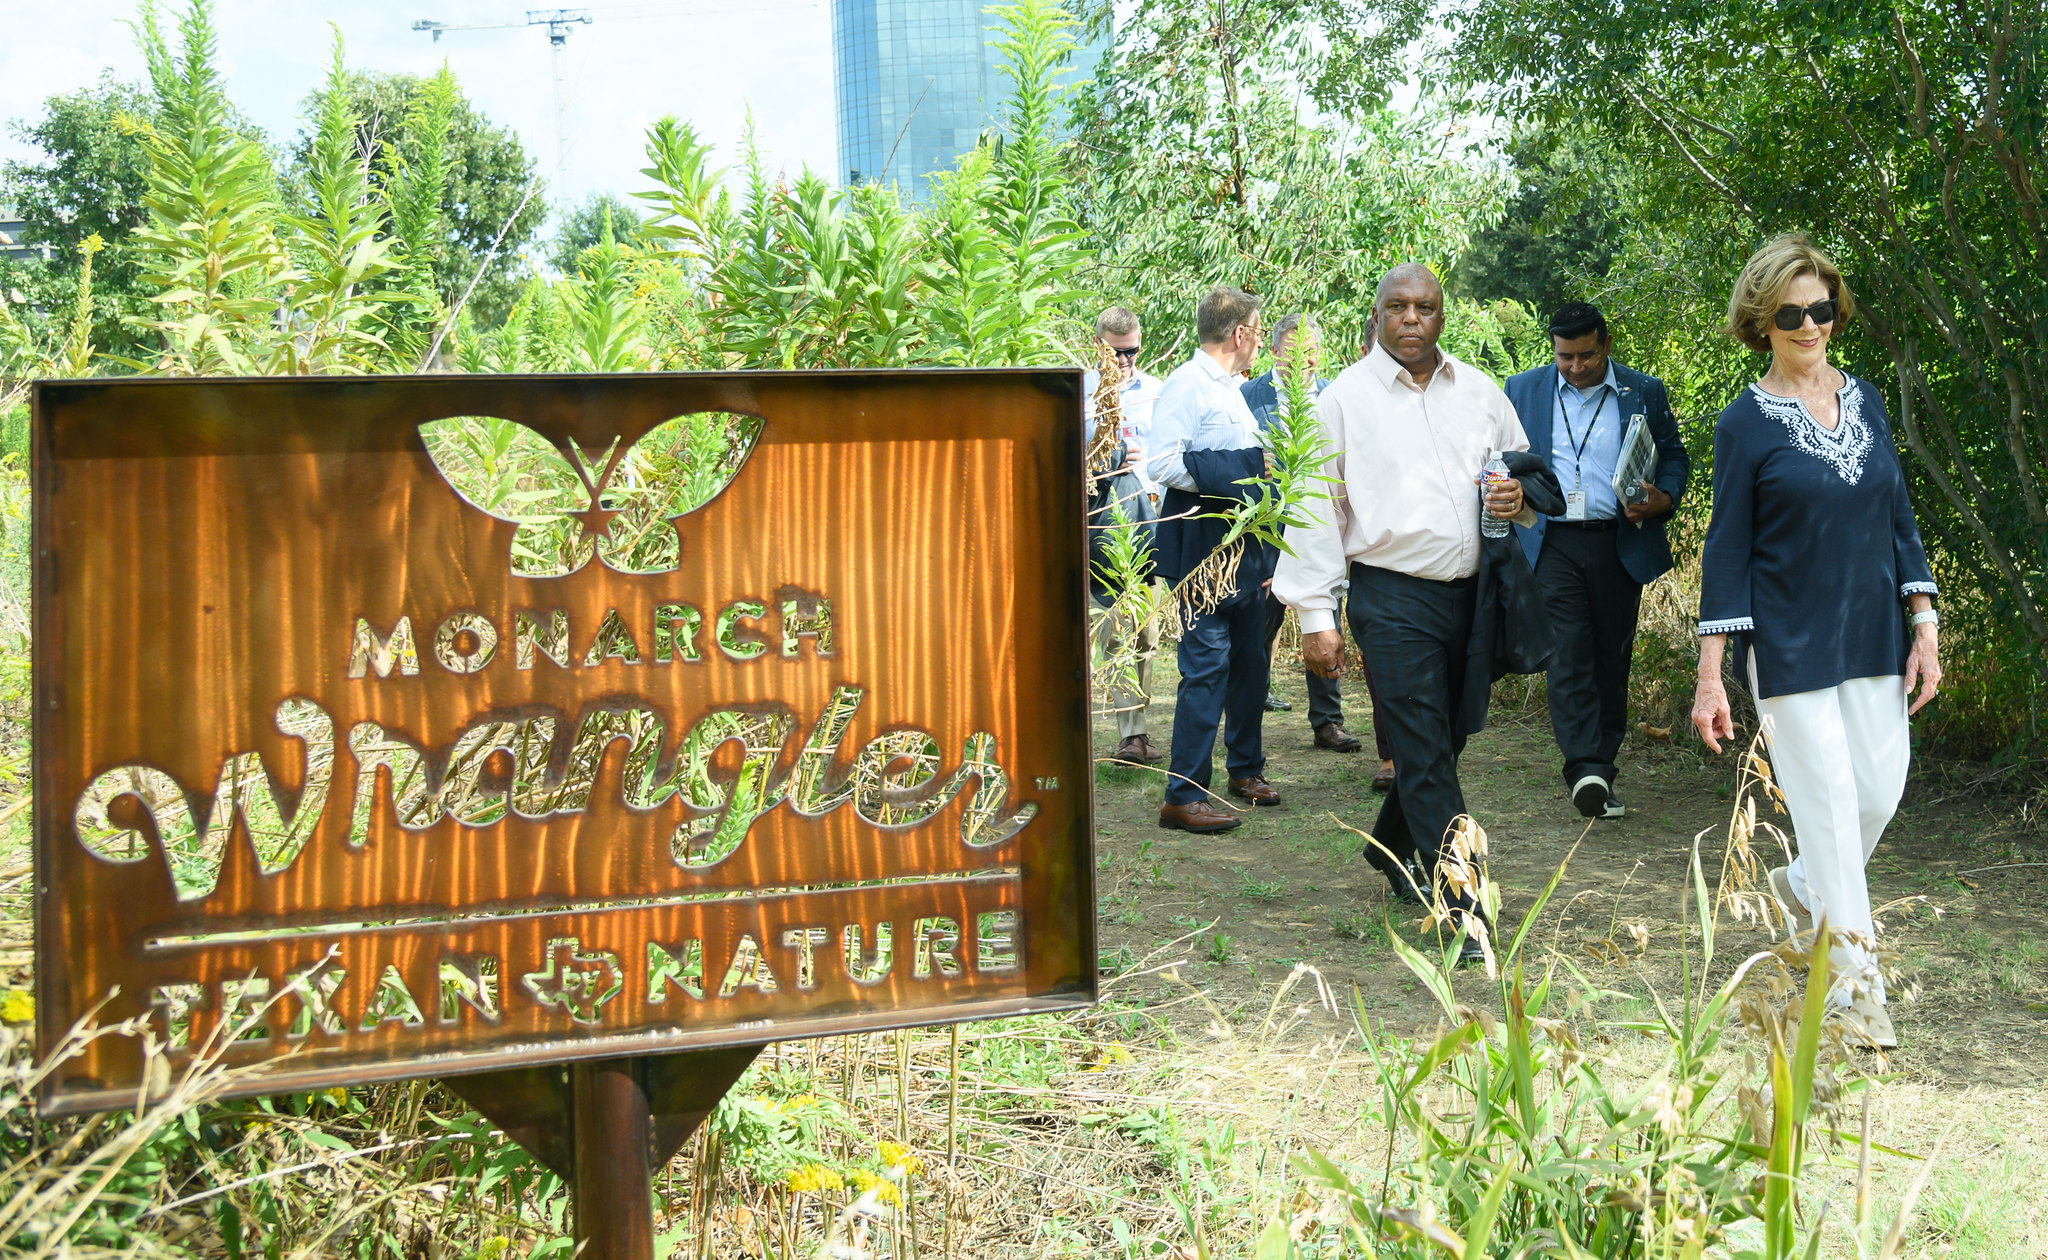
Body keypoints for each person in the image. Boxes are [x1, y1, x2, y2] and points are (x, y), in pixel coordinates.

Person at [1691, 234, 1939, 1051]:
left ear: (1835, 313)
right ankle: (1855, 994)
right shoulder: (1745, 423)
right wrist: (1712, 677)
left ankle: (1801, 883)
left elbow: (1898, 519)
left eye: (1820, 310)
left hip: (1869, 635)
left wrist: (1924, 623)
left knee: (1877, 794)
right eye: (1790, 314)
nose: (1809, 325)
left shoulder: (1864, 399)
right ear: (1762, 323)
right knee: (1829, 805)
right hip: (1789, 644)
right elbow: (1726, 550)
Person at [1274, 264, 1557, 959]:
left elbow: (1521, 470)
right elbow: (1313, 509)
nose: (1410, 319)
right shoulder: (1341, 401)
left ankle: (1391, 847)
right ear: (1375, 316)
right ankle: (1467, 913)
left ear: (1441, 317)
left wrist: (1516, 502)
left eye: (1424, 308)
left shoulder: (1480, 391)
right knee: (1425, 751)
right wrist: (1316, 615)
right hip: (1391, 596)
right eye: (1396, 307)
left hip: (1473, 595)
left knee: (1449, 734)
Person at [1507, 302, 1689, 820]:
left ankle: (1601, 769)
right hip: (1552, 542)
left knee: (1612, 657)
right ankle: (1583, 766)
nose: (1576, 367)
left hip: (1617, 541)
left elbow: (1675, 457)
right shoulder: (1522, 390)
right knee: (1566, 653)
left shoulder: (1642, 391)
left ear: (1606, 344)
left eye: (1587, 355)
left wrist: (1663, 497)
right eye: (1565, 357)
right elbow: (1499, 458)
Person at [1146, 286, 1281, 833]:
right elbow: (1161, 463)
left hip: (1247, 550)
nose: (1260, 346)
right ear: (1241, 334)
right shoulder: (1187, 384)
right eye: (1258, 333)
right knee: (1205, 670)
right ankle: (1184, 794)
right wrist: (1250, 464)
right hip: (1202, 549)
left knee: (1251, 664)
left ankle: (1245, 769)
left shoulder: (1235, 390)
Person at [1243, 316, 1397, 785]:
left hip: (1322, 526)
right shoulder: (1248, 399)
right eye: (1294, 351)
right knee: (1257, 631)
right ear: (1274, 352)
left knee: (1324, 619)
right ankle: (1248, 732)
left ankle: (1327, 720)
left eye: (1311, 352)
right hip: (1267, 530)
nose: (1304, 361)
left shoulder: (1335, 395)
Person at [1086, 306, 1167, 765]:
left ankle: (1138, 720)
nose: (1124, 362)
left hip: (1150, 521)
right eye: (1116, 353)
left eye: (1132, 352)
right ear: (1099, 346)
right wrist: (1099, 456)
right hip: (1101, 522)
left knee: (1146, 630)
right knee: (1115, 629)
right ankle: (1130, 733)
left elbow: (1172, 456)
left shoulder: (1157, 392)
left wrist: (1147, 465)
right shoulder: (1079, 394)